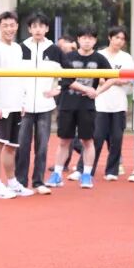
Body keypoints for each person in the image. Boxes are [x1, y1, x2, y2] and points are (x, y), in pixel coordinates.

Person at [49, 27, 109, 189]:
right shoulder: (68, 57)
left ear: (95, 41)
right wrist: (86, 89)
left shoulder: (100, 59)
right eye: (84, 38)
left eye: (90, 38)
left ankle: (87, 175)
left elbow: (112, 77)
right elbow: (66, 80)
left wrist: (97, 91)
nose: (87, 41)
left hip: (87, 106)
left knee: (87, 141)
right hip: (67, 104)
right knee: (64, 141)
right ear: (78, 39)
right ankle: (57, 174)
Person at [0, 11, 31, 199]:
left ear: (17, 26)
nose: (9, 29)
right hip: (1, 106)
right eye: (5, 26)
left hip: (15, 104)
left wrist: (22, 101)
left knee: (11, 146)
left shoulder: (18, 48)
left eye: (12, 25)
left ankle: (12, 182)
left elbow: (21, 77)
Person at [16, 12, 64, 195]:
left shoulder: (54, 50)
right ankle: (20, 182)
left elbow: (68, 72)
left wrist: (58, 89)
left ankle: (38, 181)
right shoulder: (20, 49)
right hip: (23, 105)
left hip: (45, 106)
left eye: (41, 26)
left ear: (47, 28)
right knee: (22, 145)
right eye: (34, 26)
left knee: (42, 146)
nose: (38, 29)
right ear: (29, 29)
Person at [92, 26, 133, 181]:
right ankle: (89, 168)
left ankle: (112, 170)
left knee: (116, 138)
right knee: (97, 137)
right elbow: (97, 78)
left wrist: (110, 79)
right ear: (109, 38)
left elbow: (128, 79)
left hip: (119, 104)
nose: (119, 41)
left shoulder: (126, 58)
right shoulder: (99, 55)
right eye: (116, 37)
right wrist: (115, 79)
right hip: (100, 103)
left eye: (122, 39)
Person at [54, 33, 84, 174]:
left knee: (73, 136)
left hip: (77, 100)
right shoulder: (60, 58)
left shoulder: (75, 57)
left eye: (62, 45)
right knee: (65, 134)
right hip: (62, 98)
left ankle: (84, 155)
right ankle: (64, 163)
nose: (60, 47)